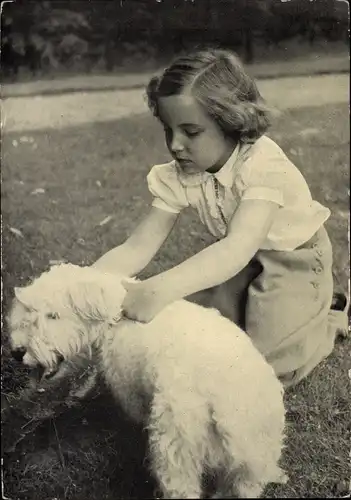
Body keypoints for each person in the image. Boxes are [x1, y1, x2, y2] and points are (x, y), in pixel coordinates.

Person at [93, 48, 349, 388]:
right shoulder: (181, 173)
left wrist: (159, 288)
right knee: (195, 327)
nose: (175, 145)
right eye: (168, 130)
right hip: (241, 260)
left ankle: (330, 316)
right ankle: (289, 308)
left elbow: (236, 248)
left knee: (263, 366)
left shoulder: (263, 165)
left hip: (294, 259)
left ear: (231, 123)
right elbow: (138, 245)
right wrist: (84, 286)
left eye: (191, 131)